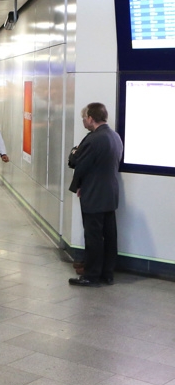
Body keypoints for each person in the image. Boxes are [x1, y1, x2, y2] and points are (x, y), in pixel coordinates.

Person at [68, 102, 124, 287]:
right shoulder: (115, 136)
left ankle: (91, 275)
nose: (83, 121)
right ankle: (107, 274)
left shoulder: (93, 139)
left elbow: (78, 163)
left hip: (94, 195)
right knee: (109, 235)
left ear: (91, 118)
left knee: (93, 236)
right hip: (110, 194)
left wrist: (74, 152)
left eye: (84, 118)